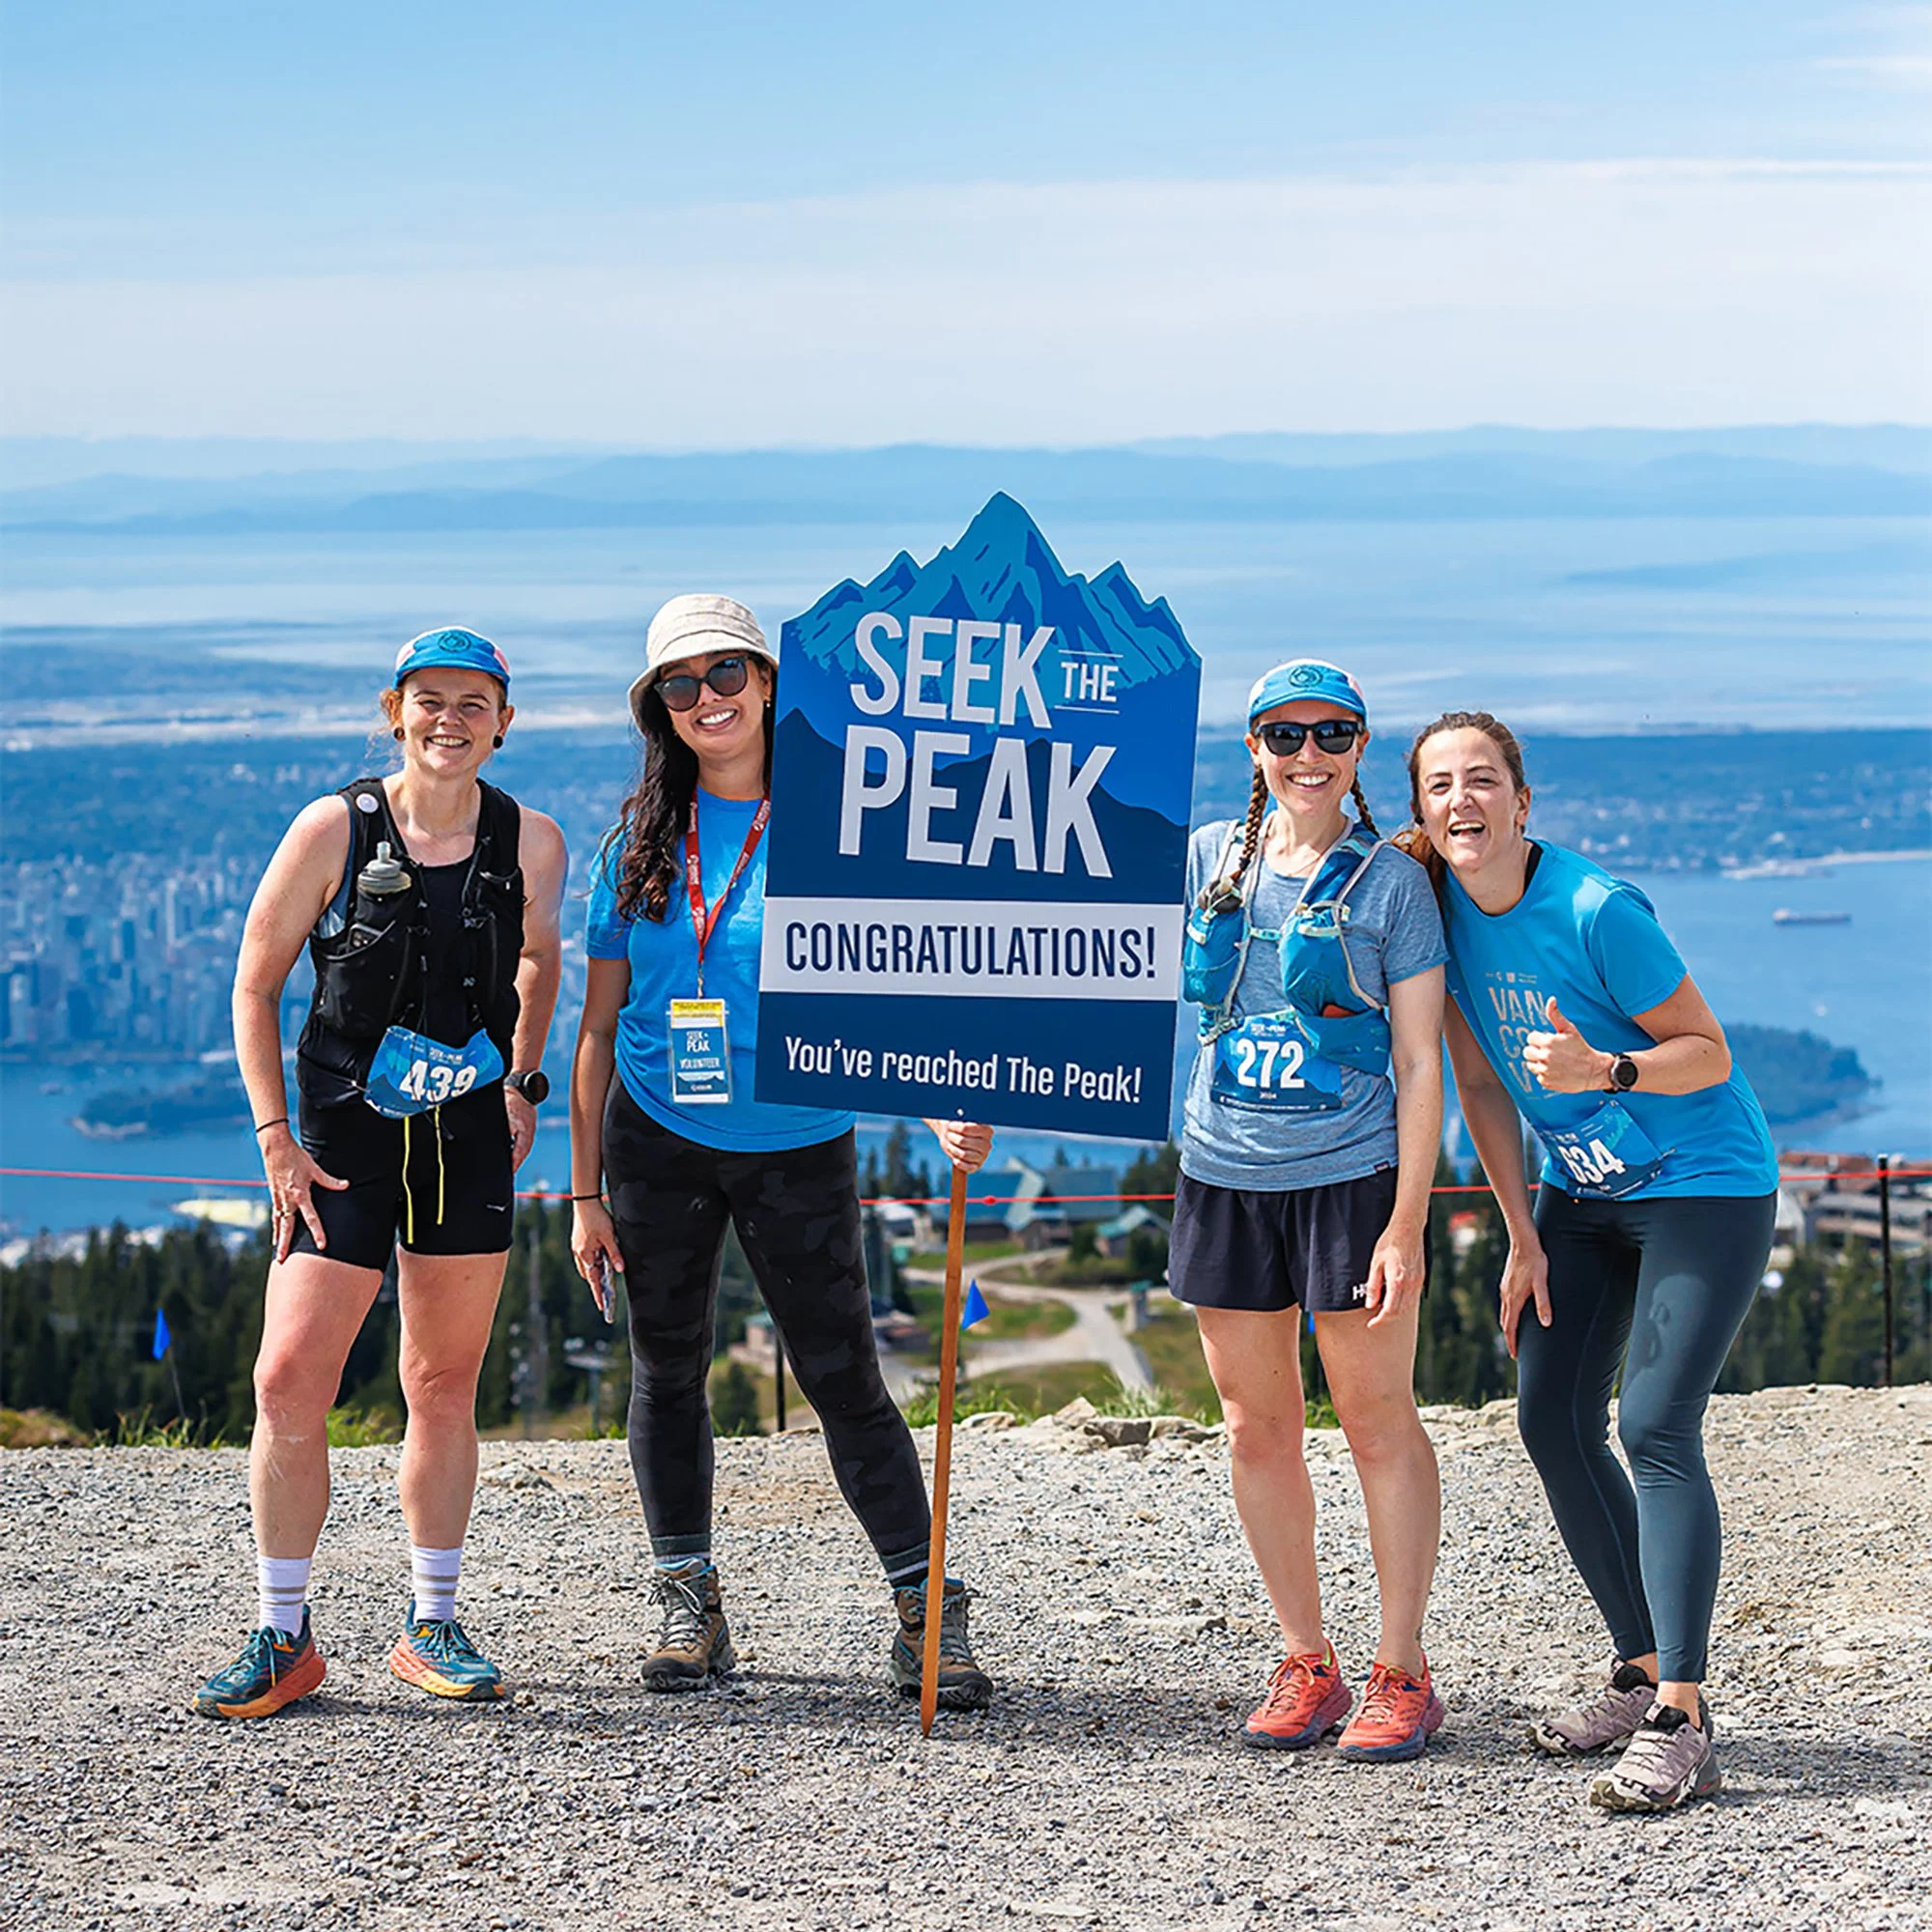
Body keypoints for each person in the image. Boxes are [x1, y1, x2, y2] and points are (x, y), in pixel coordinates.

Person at [568, 593, 995, 1710]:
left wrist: (947, 1090)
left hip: (800, 1135)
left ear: (766, 683)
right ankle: (686, 1599)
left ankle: (925, 1612)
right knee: (666, 1369)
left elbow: (913, 976)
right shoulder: (637, 846)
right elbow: (598, 1029)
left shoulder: (842, 823)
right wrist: (579, 1190)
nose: (706, 697)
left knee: (842, 1374)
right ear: (657, 708)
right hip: (654, 1133)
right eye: (680, 684)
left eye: (726, 674)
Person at [1402, 709, 1777, 1812]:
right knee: (1548, 1417)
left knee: (1653, 1424)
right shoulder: (1440, 913)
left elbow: (1706, 1052)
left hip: (1703, 1186)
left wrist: (1600, 1065)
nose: (1461, 800)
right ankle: (1635, 1665)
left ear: (1523, 799)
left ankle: (1681, 1712)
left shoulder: (1595, 908)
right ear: (1423, 809)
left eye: (1482, 779)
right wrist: (1520, 1233)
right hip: (1578, 1194)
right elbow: (1479, 1087)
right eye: (1439, 786)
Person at [193, 628, 567, 1719]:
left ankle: (433, 1621)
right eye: (428, 700)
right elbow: (254, 986)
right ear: (391, 711)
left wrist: (523, 1078)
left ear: (504, 719)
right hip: (337, 1145)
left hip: (462, 1141)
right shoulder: (332, 828)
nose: (449, 719)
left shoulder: (528, 841)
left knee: (442, 1383)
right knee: (286, 1379)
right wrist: (273, 1137)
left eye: (473, 702)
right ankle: (282, 1632)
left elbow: (541, 956)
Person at [1172, 658, 1448, 1762]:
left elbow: (1421, 1062)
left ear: (1359, 749)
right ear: (1252, 748)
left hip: (1349, 1179)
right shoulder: (1208, 858)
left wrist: (1405, 1221)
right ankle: (1305, 1656)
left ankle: (1401, 1666)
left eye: (1330, 735)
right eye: (1282, 736)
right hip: (1222, 1172)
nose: (1305, 756)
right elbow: (1074, 960)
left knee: (1375, 1422)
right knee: (1254, 1426)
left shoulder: (1391, 882)